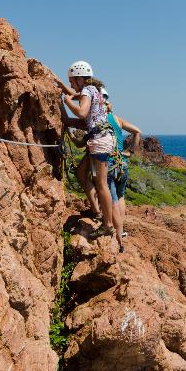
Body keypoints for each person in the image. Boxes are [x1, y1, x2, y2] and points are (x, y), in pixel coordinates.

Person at [59, 61, 116, 238]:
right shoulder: (93, 90)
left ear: (79, 78)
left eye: (71, 81)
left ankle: (107, 225)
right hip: (101, 138)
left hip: (99, 140)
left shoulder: (87, 90)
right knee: (81, 173)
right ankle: (96, 211)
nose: (70, 85)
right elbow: (75, 102)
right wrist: (63, 93)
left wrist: (67, 101)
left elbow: (82, 113)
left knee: (101, 184)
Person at [104, 98, 141, 252]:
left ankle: (118, 236)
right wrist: (130, 151)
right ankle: (122, 230)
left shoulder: (98, 118)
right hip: (122, 163)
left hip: (109, 163)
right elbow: (137, 131)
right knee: (120, 196)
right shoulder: (117, 119)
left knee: (112, 200)